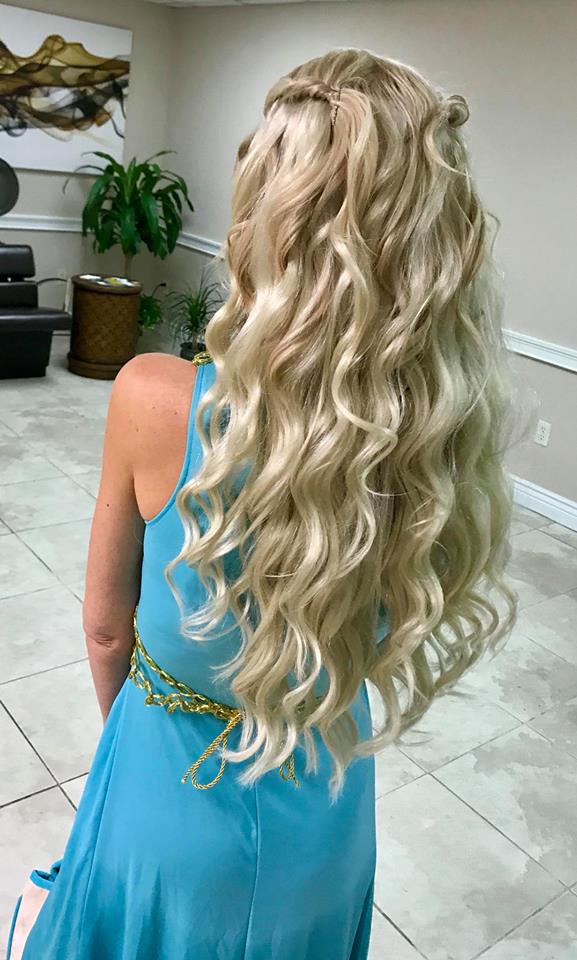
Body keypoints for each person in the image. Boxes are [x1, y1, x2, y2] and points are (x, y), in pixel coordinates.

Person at [7, 46, 519, 960]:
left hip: (166, 802)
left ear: (267, 214)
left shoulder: (156, 397)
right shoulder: (438, 442)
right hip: (324, 817)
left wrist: (147, 745)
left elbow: (106, 631)